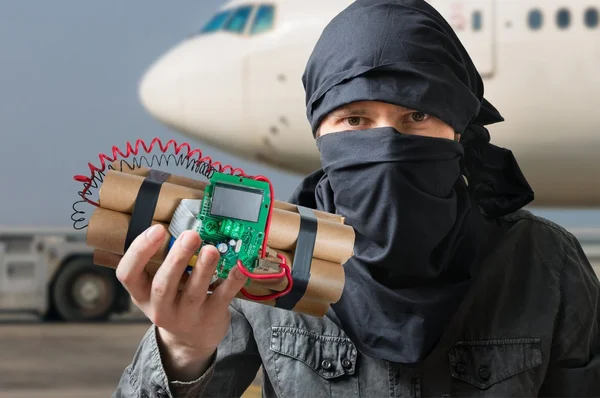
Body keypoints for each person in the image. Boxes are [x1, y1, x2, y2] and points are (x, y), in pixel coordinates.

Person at [113, 1, 600, 397]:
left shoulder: (544, 263)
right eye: (355, 120)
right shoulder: (263, 263)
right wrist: (182, 353)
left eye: (416, 116)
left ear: (458, 128)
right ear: (320, 130)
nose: (387, 145)